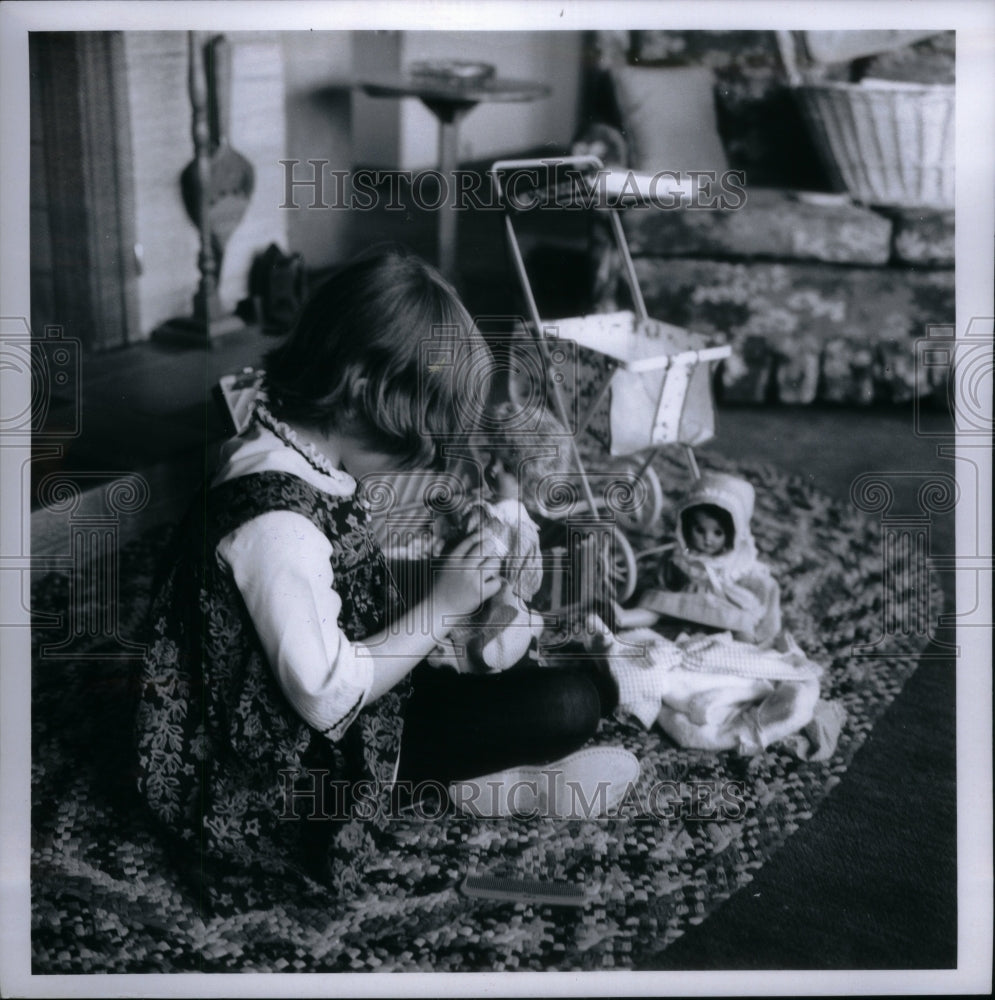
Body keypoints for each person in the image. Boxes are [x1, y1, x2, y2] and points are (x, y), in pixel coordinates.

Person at [134, 247, 635, 892]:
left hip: (313, 705)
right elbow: (324, 696)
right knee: (570, 702)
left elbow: (351, 562)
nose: (421, 470)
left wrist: (461, 554)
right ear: (364, 392)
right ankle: (498, 785)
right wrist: (442, 609)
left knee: (552, 674)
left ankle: (485, 765)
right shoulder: (275, 526)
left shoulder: (291, 443)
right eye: (417, 448)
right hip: (276, 771)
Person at [640, 471, 782, 645]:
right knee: (656, 603)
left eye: (718, 533)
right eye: (699, 530)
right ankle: (626, 618)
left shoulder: (734, 562)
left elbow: (756, 580)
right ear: (685, 527)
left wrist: (764, 585)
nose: (708, 539)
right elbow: (667, 573)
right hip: (686, 600)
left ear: (733, 534)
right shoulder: (684, 554)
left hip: (722, 604)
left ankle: (743, 650)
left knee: (742, 622)